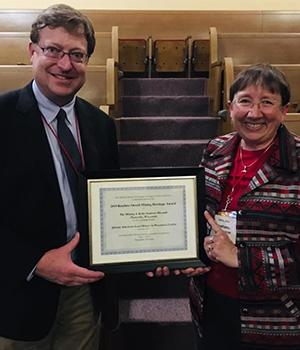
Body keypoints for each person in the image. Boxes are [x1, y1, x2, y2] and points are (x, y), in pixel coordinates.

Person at [0, 4, 119, 350]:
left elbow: (111, 204)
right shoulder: (2, 118)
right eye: (53, 50)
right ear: (32, 51)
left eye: (77, 55)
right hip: (18, 292)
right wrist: (35, 262)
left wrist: (155, 252)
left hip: (85, 287)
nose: (65, 65)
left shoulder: (101, 126)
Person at [189, 64, 300, 350]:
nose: (254, 113)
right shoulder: (216, 149)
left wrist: (242, 258)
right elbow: (200, 213)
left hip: (275, 315)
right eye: (245, 101)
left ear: (284, 110)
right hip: (211, 301)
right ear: (230, 106)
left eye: (267, 102)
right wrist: (189, 254)